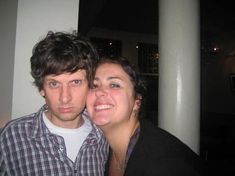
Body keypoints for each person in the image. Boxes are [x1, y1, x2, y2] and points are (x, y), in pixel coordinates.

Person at [0, 31, 109, 176]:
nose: (65, 98)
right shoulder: (12, 136)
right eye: (54, 84)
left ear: (90, 85)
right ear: (41, 89)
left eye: (76, 82)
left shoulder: (105, 133)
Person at [86, 56, 206, 176]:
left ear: (137, 102)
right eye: (94, 85)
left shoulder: (164, 164)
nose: (99, 92)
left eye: (114, 85)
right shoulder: (100, 149)